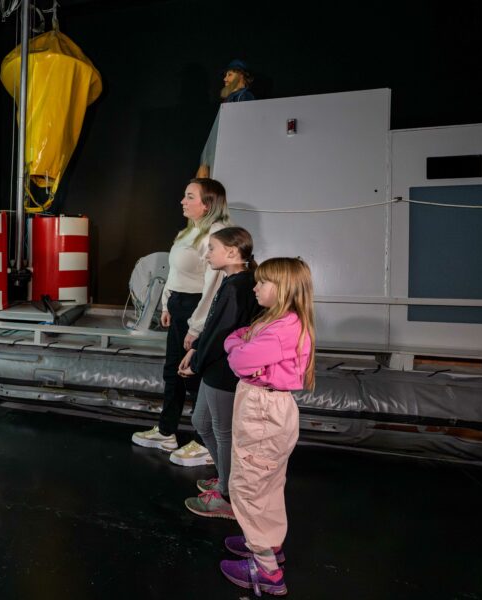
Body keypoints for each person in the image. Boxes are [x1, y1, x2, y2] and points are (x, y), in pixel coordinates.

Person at [218, 257, 316, 596]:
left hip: (262, 411)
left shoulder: (281, 328)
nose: (255, 287)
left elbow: (237, 357)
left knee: (248, 487)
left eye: (262, 283)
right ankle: (266, 544)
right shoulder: (279, 322)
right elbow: (237, 338)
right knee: (268, 484)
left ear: (284, 288)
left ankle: (266, 571)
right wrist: (243, 347)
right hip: (268, 407)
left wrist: (242, 353)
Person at [131, 178, 231, 465]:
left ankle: (204, 443)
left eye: (189, 197)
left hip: (197, 310)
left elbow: (213, 287)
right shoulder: (189, 232)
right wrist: (166, 303)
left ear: (207, 204)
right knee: (173, 372)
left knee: (196, 376)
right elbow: (174, 272)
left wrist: (197, 327)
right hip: (178, 307)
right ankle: (166, 431)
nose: (182, 202)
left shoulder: (218, 233)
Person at [176, 228, 261, 520]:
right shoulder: (232, 281)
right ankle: (227, 477)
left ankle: (228, 494)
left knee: (223, 432)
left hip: (224, 370)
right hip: (214, 366)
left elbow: (223, 332)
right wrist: (196, 348)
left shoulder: (239, 285)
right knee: (201, 422)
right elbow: (214, 326)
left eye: (212, 248)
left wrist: (196, 359)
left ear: (233, 252)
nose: (207, 254)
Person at [195, 59, 256, 179]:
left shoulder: (244, 96)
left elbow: (246, 124)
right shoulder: (231, 97)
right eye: (225, 75)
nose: (225, 79)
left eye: (230, 75)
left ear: (241, 76)